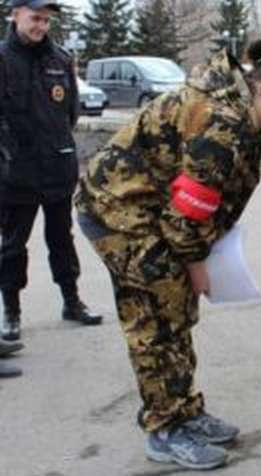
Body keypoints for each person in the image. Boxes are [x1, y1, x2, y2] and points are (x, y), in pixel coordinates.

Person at [75, 40, 261, 470]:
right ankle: (164, 429)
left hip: (151, 212)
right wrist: (198, 266)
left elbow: (206, 202)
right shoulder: (222, 123)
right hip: (120, 212)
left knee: (177, 306)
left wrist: (202, 254)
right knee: (156, 316)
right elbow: (185, 219)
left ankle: (184, 411)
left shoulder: (243, 113)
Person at [0, 0, 102, 343]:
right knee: (13, 245)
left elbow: (69, 113)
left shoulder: (60, 59)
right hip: (17, 172)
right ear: (14, 15)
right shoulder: (2, 59)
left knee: (62, 238)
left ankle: (71, 302)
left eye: (45, 20)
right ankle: (11, 311)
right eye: (34, 18)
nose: (40, 26)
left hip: (58, 166)